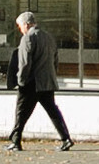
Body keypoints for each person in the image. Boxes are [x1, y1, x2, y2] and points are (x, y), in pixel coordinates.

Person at [6, 11, 72, 152]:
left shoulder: (27, 38)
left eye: (20, 26)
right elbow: (55, 59)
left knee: (21, 112)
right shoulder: (48, 37)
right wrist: (52, 74)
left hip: (31, 82)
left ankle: (16, 141)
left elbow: (25, 63)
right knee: (53, 111)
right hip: (47, 82)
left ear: (26, 24)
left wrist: (21, 81)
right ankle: (65, 138)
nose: (20, 29)